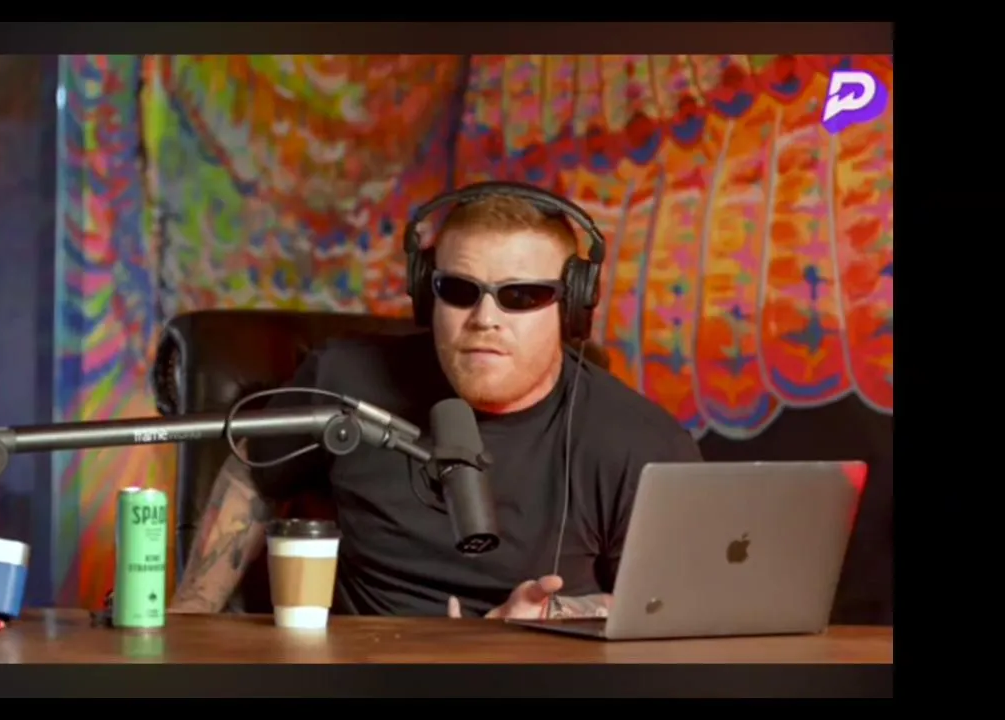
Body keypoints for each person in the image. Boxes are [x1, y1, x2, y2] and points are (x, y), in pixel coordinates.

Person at [170, 189, 703, 620]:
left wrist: (560, 614)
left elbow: (677, 609)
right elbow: (253, 469)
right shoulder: (345, 381)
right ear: (428, 293)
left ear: (573, 308)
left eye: (521, 296)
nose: (485, 319)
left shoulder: (639, 443)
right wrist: (190, 615)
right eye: (460, 290)